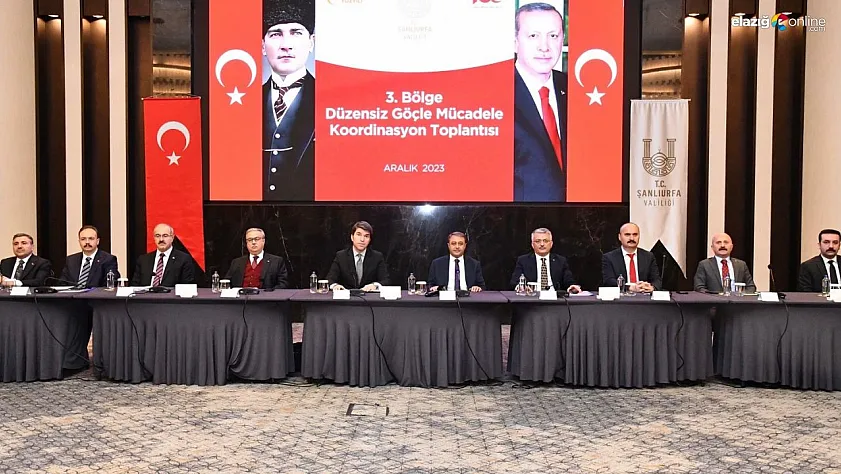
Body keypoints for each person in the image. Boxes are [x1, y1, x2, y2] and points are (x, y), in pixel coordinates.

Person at [513, 2, 568, 202]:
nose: (544, 47)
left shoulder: (578, 89)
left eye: (553, 36)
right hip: (518, 216)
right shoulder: (495, 93)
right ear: (515, 42)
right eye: (533, 36)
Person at [262, 0, 315, 201]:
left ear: (311, 42)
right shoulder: (245, 102)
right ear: (263, 46)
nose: (286, 45)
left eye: (296, 33)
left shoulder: (330, 101)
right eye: (276, 34)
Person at [510, 227, 580, 293]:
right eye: (538, 241)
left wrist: (572, 286)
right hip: (532, 297)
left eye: (545, 241)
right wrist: (520, 287)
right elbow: (514, 282)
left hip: (555, 297)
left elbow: (568, 280)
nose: (542, 244)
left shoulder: (560, 261)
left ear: (551, 244)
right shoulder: (523, 260)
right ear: (532, 244)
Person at [326, 221, 389, 291]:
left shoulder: (377, 257)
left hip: (368, 296)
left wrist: (375, 285)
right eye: (359, 235)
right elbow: (330, 279)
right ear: (352, 237)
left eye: (366, 236)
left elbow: (385, 280)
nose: (362, 239)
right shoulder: (341, 256)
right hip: (347, 296)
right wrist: (335, 286)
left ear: (370, 240)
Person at [130, 223, 196, 287]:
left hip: (171, 294)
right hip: (146, 294)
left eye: (165, 236)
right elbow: (135, 286)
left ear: (172, 238)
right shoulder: (143, 260)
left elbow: (186, 287)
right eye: (157, 236)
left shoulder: (183, 259)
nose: (161, 239)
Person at [601, 222, 661, 292]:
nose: (632, 238)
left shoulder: (649, 256)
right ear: (619, 237)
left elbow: (657, 280)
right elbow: (609, 281)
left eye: (635, 234)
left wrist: (652, 287)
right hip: (621, 296)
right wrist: (630, 287)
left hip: (643, 295)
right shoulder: (609, 257)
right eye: (627, 234)